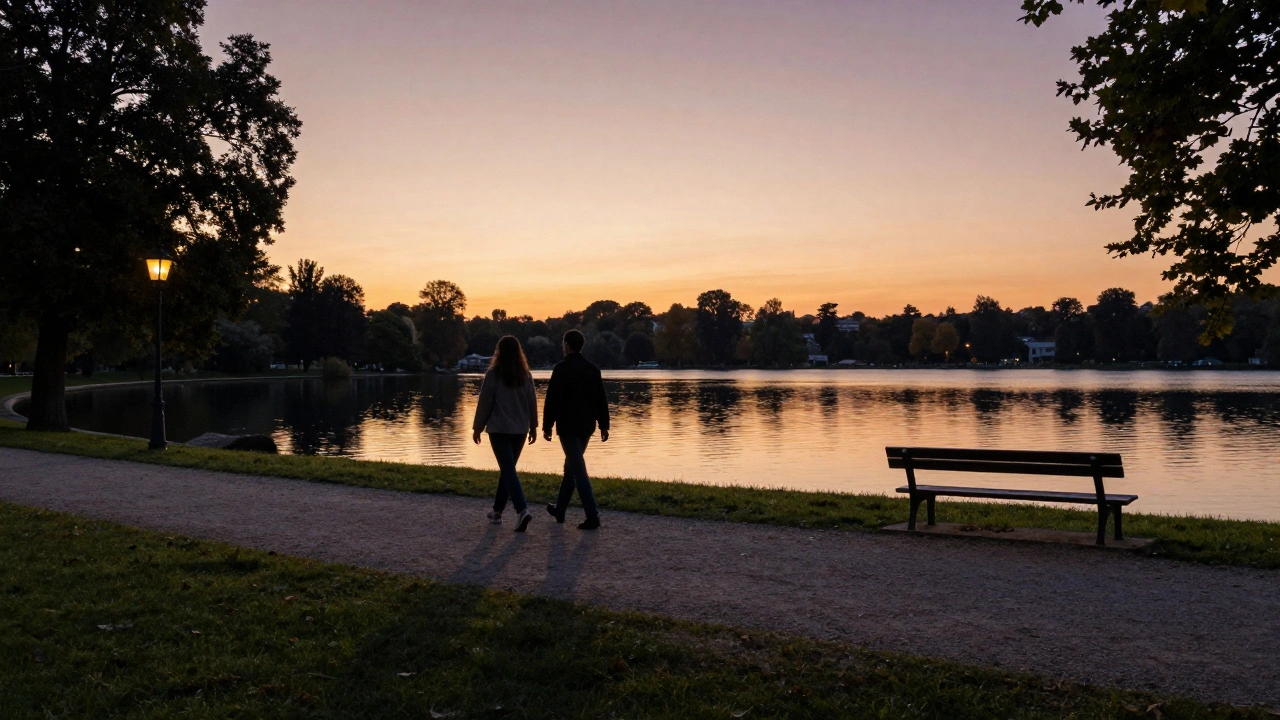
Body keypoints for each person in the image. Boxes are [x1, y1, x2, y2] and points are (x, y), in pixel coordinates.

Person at [543, 329, 610, 530]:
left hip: (568, 426)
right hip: (586, 426)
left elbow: (552, 400)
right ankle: (560, 509)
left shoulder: (560, 369)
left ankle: (592, 514)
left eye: (563, 343)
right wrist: (604, 425)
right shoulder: (592, 369)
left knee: (578, 469)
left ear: (566, 345)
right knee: (571, 467)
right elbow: (600, 399)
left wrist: (547, 425)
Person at [472, 335, 539, 532]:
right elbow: (532, 402)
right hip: (520, 430)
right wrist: (533, 426)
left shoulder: (494, 374)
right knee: (507, 470)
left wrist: (478, 427)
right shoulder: (525, 375)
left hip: (499, 429)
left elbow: (485, 402)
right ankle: (497, 512)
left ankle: (522, 510)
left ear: (498, 351)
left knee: (508, 470)